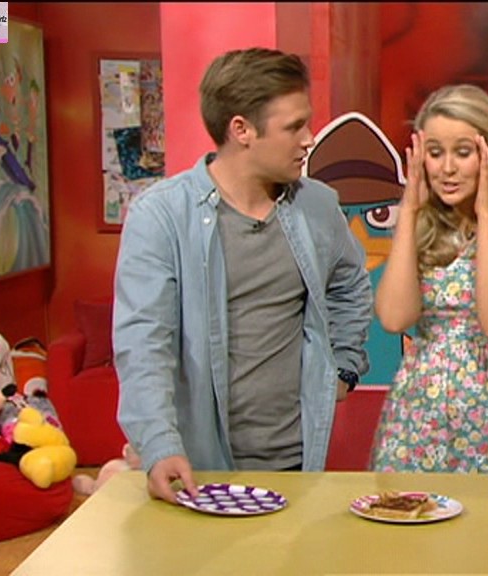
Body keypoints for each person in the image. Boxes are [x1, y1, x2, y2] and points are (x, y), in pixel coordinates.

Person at [113, 48, 372, 503]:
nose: (309, 139)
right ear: (241, 130)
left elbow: (350, 285)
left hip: (298, 462)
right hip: (199, 466)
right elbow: (143, 343)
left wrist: (345, 366)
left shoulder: (317, 207)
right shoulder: (161, 216)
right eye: (294, 127)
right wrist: (159, 444)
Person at [369, 84, 488, 473]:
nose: (447, 169)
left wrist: (487, 216)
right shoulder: (419, 228)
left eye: (462, 152)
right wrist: (409, 213)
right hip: (422, 411)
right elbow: (394, 318)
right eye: (435, 153)